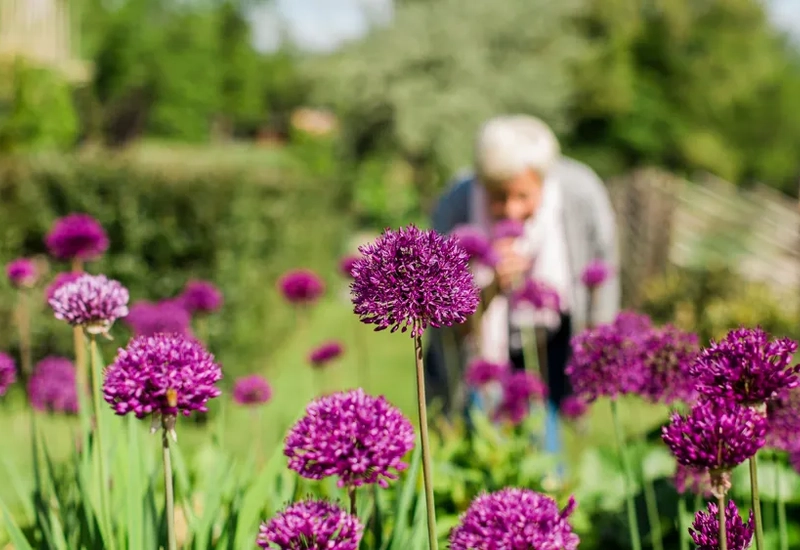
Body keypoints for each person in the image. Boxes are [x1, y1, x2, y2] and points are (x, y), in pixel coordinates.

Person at [424, 114, 620, 469]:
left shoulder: (580, 192)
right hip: (483, 347)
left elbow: (604, 264)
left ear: (544, 181)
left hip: (552, 339)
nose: (511, 210)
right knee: (487, 440)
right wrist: (492, 285)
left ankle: (548, 495)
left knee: (544, 433)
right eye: (498, 197)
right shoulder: (456, 203)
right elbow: (443, 315)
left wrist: (598, 339)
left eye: (523, 196)